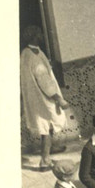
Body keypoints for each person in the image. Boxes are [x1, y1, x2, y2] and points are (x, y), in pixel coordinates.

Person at [20, 25, 70, 171]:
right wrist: (58, 98)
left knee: (47, 125)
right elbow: (43, 80)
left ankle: (51, 148)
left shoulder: (29, 52)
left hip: (37, 98)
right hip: (43, 97)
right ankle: (45, 160)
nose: (42, 35)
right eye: (40, 33)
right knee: (46, 128)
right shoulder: (32, 56)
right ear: (35, 36)